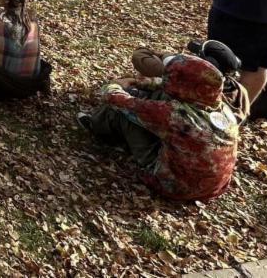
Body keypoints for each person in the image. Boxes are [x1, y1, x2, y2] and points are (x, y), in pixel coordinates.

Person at [79, 54, 239, 202]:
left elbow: (117, 100)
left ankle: (96, 127)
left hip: (173, 187)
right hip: (213, 189)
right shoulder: (224, 110)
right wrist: (140, 82)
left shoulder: (176, 115)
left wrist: (114, 85)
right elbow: (166, 86)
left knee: (124, 115)